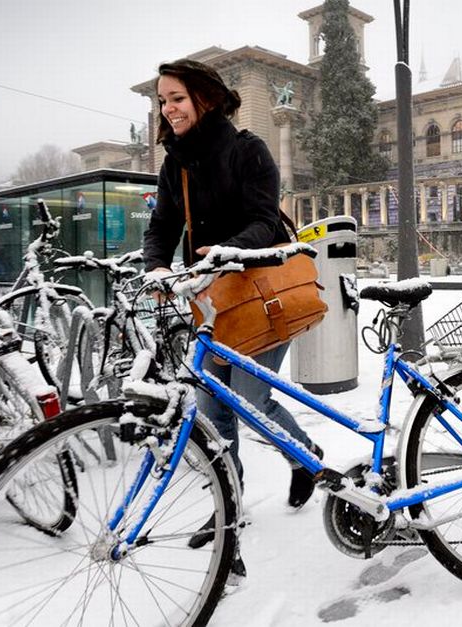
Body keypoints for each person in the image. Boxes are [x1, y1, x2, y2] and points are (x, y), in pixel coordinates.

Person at [141, 58, 322, 578]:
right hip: (210, 297)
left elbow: (265, 220)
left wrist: (227, 251)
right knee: (212, 406)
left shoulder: (248, 150)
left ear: (207, 98)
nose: (168, 108)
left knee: (248, 397)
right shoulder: (174, 165)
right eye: (162, 100)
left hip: (261, 289)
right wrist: (156, 265)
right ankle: (229, 506)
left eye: (176, 97)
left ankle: (305, 454)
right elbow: (162, 226)